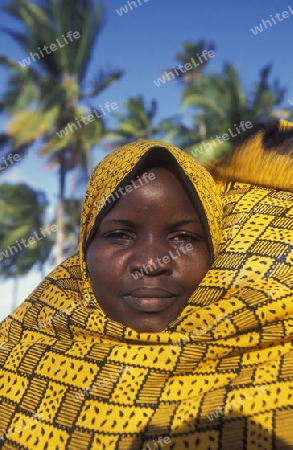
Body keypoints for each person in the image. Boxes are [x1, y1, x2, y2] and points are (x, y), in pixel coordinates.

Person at [0, 128, 292, 449]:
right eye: (120, 235)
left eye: (183, 237)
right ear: (84, 251)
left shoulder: (264, 389)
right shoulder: (16, 360)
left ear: (216, 252)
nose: (152, 263)